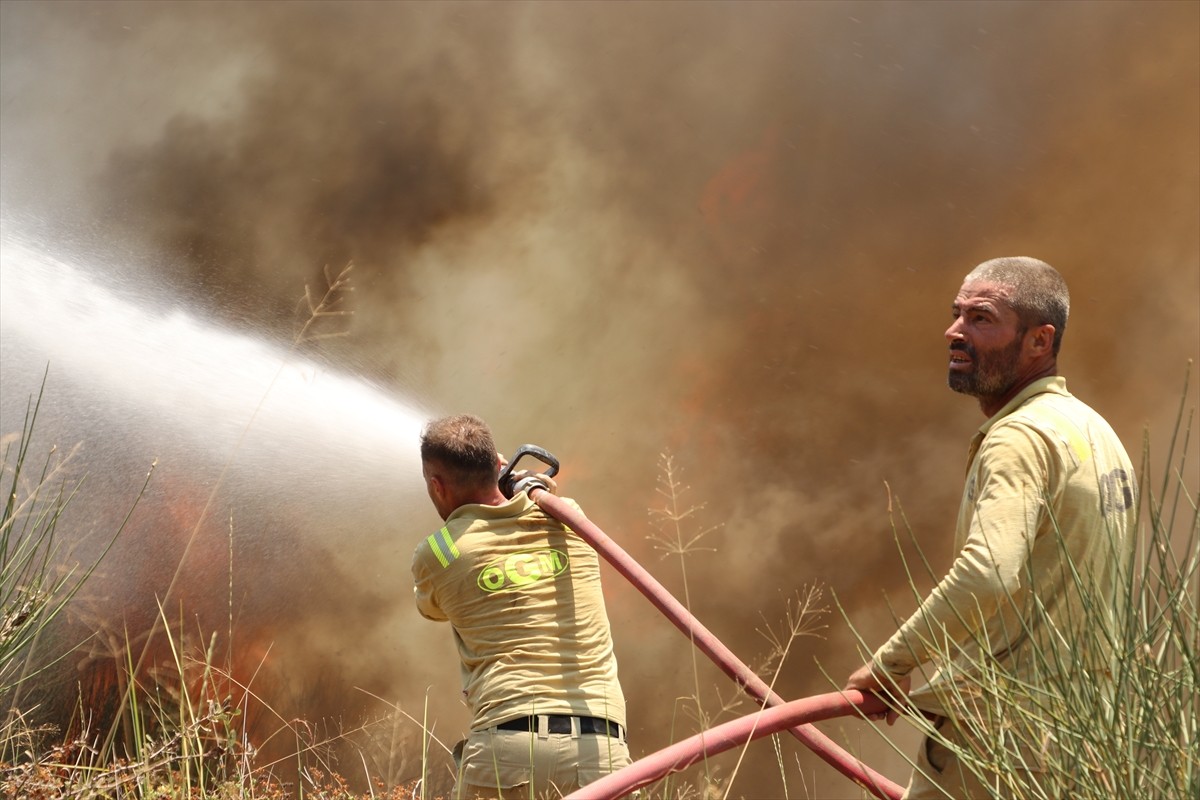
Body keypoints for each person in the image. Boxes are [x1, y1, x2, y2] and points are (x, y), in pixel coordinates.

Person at [844, 257, 1137, 798]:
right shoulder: (1096, 434)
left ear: (1038, 341)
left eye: (982, 319)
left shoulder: (1020, 438)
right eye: (957, 314)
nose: (955, 333)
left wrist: (891, 664)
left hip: (1001, 737)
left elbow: (987, 574)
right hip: (1090, 736)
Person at [413, 414, 631, 799]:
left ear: (436, 484)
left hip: (507, 749)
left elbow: (432, 609)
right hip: (602, 754)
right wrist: (526, 488)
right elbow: (554, 503)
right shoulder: (572, 521)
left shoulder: (439, 554)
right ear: (499, 465)